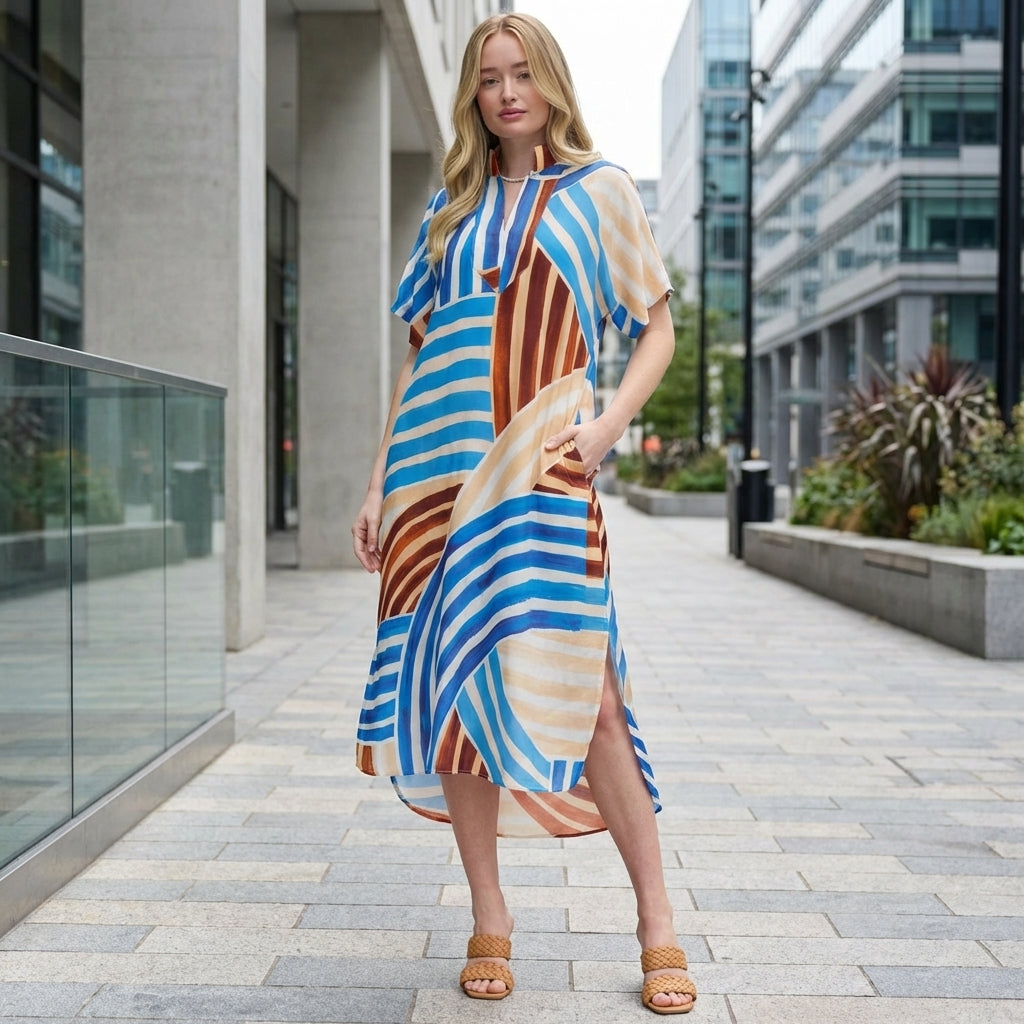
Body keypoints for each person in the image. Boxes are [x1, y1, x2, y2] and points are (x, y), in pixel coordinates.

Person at [352, 12, 696, 1015]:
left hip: (544, 474)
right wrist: (378, 485)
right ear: (473, 94)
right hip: (436, 480)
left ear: (549, 83)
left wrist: (608, 428)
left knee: (592, 698)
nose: (506, 93)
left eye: (521, 75)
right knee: (459, 693)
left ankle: (657, 923)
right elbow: (420, 355)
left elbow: (658, 328)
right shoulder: (450, 209)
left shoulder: (600, 191)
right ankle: (489, 915)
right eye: (489, 78)